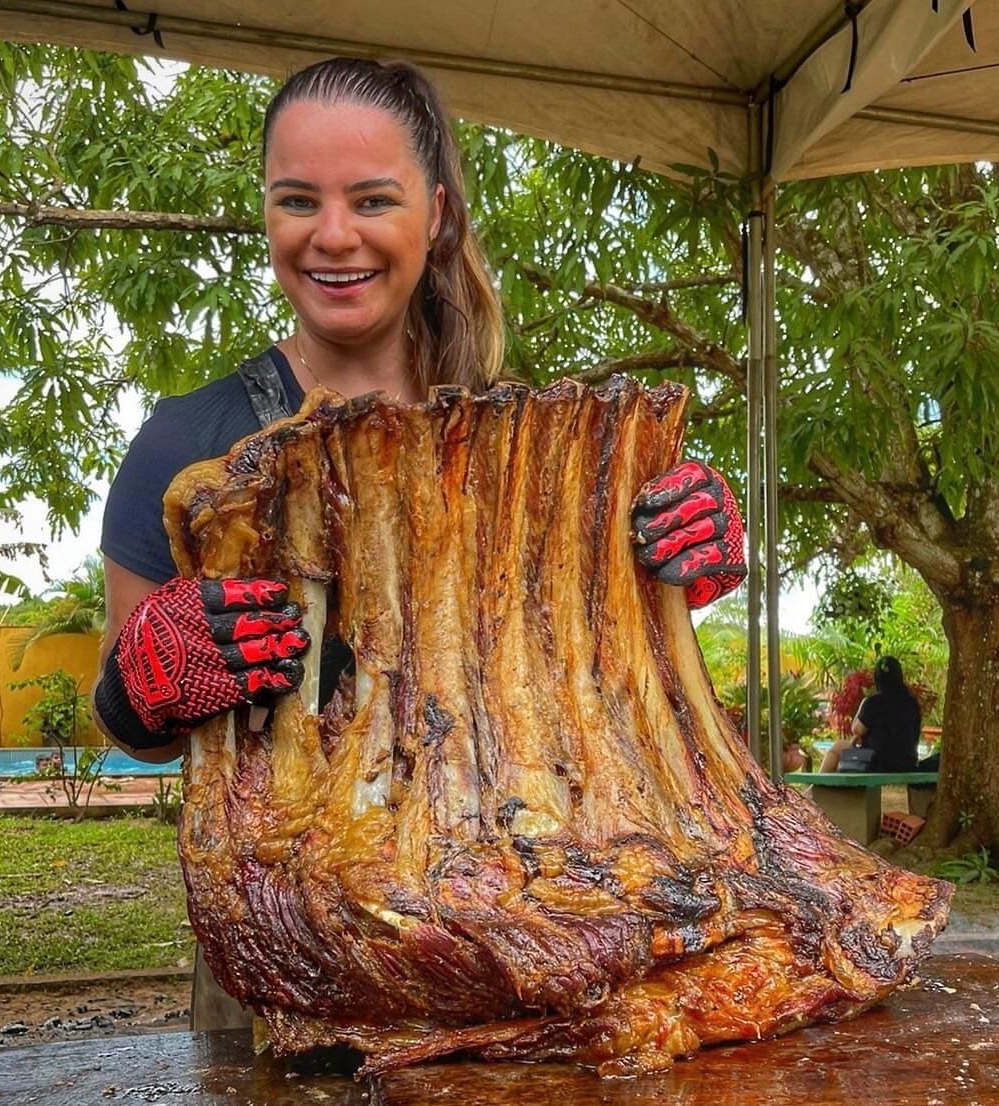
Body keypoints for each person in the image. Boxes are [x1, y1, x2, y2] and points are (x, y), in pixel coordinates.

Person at [91, 56, 747, 1030]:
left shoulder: (527, 445)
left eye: (372, 198)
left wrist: (668, 574)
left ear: (435, 214)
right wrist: (148, 673)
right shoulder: (186, 439)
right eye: (298, 199)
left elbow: (586, 683)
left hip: (526, 933)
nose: (334, 234)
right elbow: (123, 724)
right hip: (285, 965)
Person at [820, 656, 920, 773]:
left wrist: (863, 703)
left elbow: (856, 729)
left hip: (878, 762)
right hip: (907, 762)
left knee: (836, 748)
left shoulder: (874, 702)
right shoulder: (911, 703)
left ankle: (815, 788)